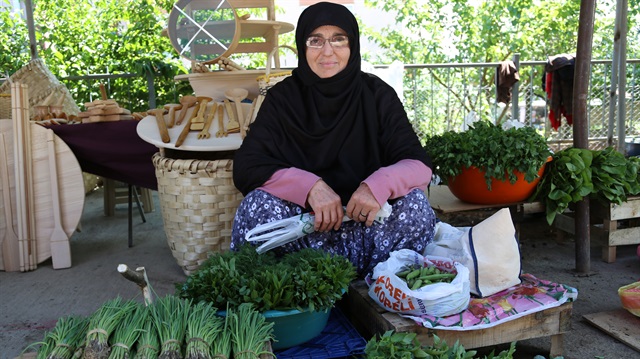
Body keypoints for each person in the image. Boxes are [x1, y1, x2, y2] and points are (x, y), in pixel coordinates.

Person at [231, 1, 437, 278]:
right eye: (315, 40)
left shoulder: (376, 95)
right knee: (256, 206)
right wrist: (310, 187)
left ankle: (374, 285)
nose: (327, 51)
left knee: (416, 208)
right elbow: (247, 166)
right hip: (303, 234)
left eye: (338, 39)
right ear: (303, 48)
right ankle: (300, 288)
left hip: (370, 232)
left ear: (353, 46)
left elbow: (419, 164)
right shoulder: (284, 98)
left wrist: (377, 186)